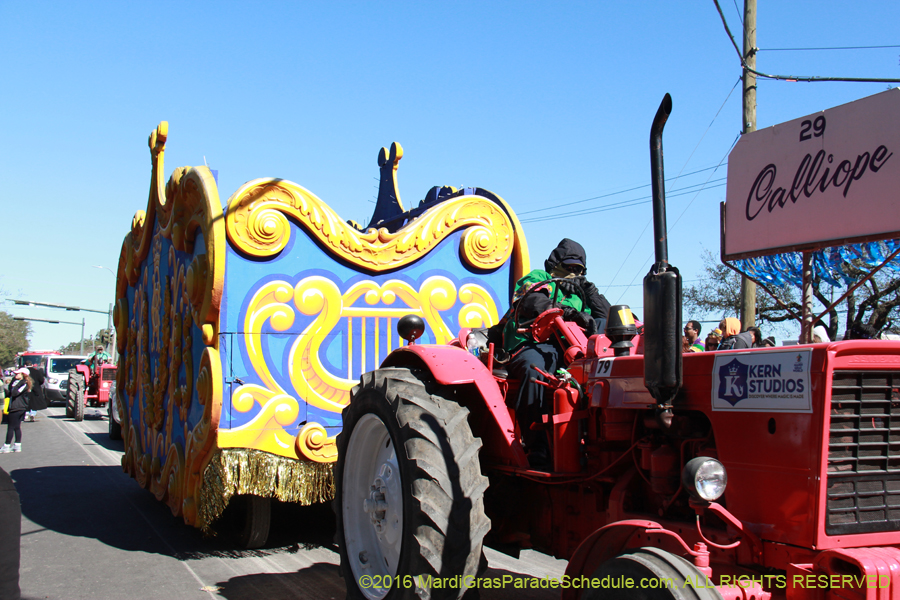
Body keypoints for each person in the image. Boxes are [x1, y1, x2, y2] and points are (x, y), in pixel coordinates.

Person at [494, 238, 610, 468]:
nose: (573, 273)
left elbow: (604, 316)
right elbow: (532, 299)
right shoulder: (539, 278)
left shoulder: (581, 294)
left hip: (570, 351)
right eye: (569, 267)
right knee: (534, 368)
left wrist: (590, 291)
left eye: (579, 270)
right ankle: (537, 447)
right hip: (530, 345)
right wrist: (568, 312)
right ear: (555, 265)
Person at [2, 368, 32, 453]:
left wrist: (16, 385)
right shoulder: (16, 382)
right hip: (16, 406)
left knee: (11, 427)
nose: (16, 375)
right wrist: (12, 383)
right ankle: (17, 445)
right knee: (16, 427)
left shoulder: (23, 383)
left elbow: (15, 393)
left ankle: (6, 446)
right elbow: (9, 393)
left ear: (23, 374)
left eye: (18, 374)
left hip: (17, 407)